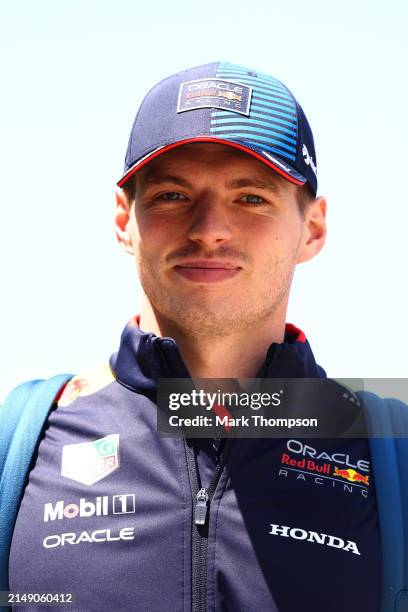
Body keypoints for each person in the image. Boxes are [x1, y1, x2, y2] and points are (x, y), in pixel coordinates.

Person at [4, 62, 381, 611]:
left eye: (251, 198)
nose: (209, 228)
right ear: (122, 219)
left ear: (313, 228)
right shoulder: (23, 446)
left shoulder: (386, 458)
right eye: (172, 196)